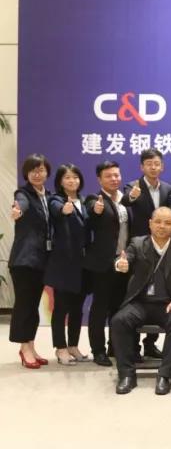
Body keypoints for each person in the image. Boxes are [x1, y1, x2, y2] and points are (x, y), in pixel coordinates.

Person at [111, 207, 171, 395]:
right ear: (150, 223)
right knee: (119, 320)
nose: (162, 226)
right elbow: (125, 258)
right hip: (140, 303)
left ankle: (165, 375)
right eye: (158, 222)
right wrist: (121, 264)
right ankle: (126, 375)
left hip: (168, 304)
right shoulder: (137, 244)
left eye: (167, 223)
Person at [121, 148, 171, 358]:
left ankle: (150, 343)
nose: (153, 167)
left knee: (159, 294)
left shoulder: (169, 189)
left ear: (162, 166)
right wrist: (132, 197)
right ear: (142, 167)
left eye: (157, 164)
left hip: (162, 248)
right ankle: (133, 347)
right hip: (141, 248)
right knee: (138, 294)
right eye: (149, 164)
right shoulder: (132, 186)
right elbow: (125, 201)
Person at [83, 161, 131, 367]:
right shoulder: (95, 199)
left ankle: (115, 346)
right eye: (108, 176)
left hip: (124, 262)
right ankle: (98, 350)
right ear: (99, 179)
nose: (114, 179)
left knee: (119, 308)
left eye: (116, 175)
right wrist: (96, 210)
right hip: (103, 263)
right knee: (100, 308)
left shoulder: (125, 199)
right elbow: (91, 214)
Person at [8, 154, 53, 369]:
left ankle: (31, 346)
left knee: (33, 305)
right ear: (26, 174)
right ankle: (24, 348)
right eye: (33, 170)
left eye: (41, 170)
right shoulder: (23, 193)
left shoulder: (48, 196)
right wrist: (18, 211)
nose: (37, 174)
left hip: (41, 261)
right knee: (24, 305)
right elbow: (22, 204)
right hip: (24, 260)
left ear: (47, 173)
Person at [45, 164, 91, 365]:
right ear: (60, 181)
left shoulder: (84, 201)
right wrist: (64, 209)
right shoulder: (56, 199)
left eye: (75, 177)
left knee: (77, 308)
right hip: (64, 264)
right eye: (67, 178)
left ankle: (73, 345)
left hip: (82, 265)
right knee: (61, 308)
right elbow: (56, 209)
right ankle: (60, 347)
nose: (72, 181)